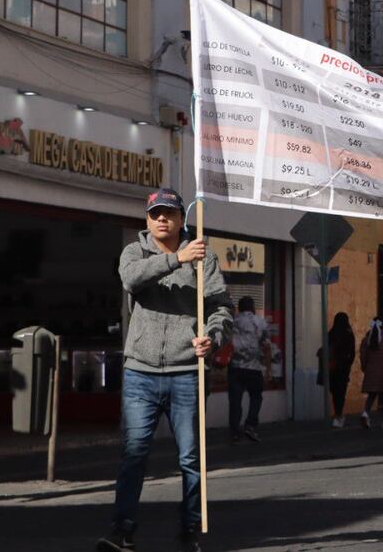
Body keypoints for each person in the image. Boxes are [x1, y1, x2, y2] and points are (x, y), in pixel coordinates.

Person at [97, 188, 232, 552]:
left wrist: (212, 336)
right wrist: (177, 259)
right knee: (134, 453)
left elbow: (221, 307)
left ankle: (190, 531)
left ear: (180, 219)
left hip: (187, 372)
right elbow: (131, 279)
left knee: (190, 458)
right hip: (140, 373)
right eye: (155, 213)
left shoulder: (205, 257)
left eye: (169, 213)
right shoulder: (135, 251)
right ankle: (122, 530)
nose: (161, 219)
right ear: (147, 219)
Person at [228, 296, 271, 444]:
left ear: (239, 307)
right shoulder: (260, 322)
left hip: (235, 367)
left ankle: (235, 432)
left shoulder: (232, 321)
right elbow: (266, 346)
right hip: (254, 367)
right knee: (256, 397)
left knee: (235, 400)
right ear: (252, 307)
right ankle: (250, 425)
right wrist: (268, 369)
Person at [326, 312, 356, 427]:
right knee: (341, 391)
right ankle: (339, 414)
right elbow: (352, 351)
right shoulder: (348, 333)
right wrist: (348, 364)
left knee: (334, 392)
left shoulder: (331, 333)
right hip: (343, 368)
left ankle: (337, 414)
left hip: (332, 367)